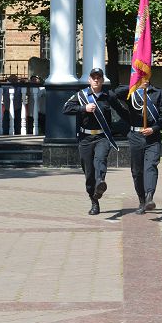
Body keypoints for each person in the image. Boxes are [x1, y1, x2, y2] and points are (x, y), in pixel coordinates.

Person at [62, 67, 124, 215]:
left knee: (100, 159)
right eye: (93, 77)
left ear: (102, 80)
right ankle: (94, 201)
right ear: (89, 80)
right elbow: (66, 109)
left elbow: (122, 111)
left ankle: (101, 181)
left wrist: (136, 125)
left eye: (99, 77)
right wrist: (83, 108)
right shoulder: (81, 95)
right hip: (85, 138)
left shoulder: (109, 96)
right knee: (89, 172)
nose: (96, 80)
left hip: (102, 136)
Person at [115, 80, 162, 214]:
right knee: (137, 171)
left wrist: (154, 128)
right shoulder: (132, 92)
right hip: (136, 136)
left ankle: (150, 196)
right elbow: (115, 93)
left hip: (152, 136)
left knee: (151, 165)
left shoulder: (158, 93)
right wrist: (135, 86)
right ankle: (142, 200)